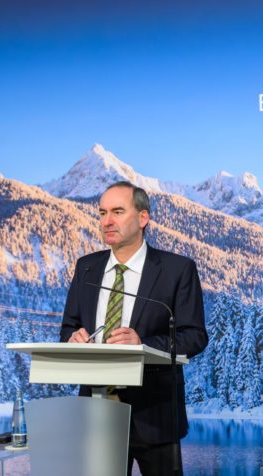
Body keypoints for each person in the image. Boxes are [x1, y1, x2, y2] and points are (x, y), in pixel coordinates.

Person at [60, 181, 208, 476]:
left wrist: (143, 343)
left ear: (143, 218)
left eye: (117, 211)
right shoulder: (86, 268)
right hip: (96, 413)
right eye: (102, 213)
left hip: (154, 414)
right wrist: (74, 337)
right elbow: (68, 328)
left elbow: (194, 336)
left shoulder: (177, 270)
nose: (107, 221)